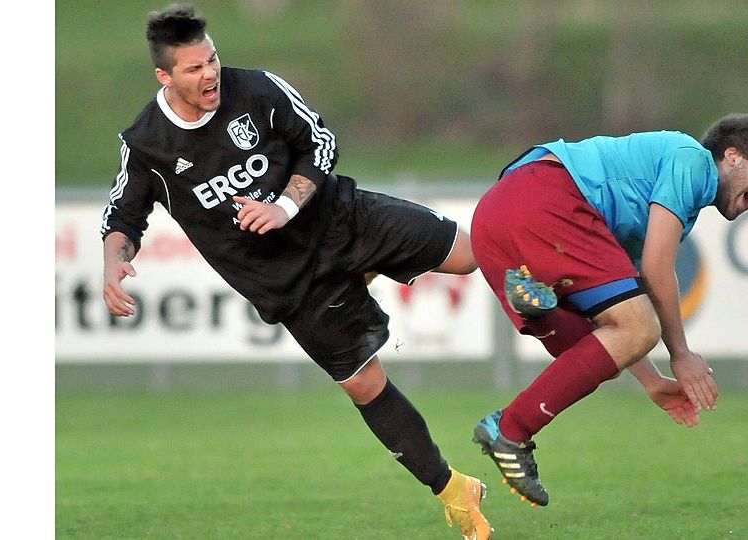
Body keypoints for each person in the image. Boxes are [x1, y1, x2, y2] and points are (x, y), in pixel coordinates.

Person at [100, 4, 491, 538]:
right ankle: (454, 491)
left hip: (341, 220)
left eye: (212, 59)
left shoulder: (256, 89)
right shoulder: (146, 144)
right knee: (365, 385)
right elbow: (123, 216)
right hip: (291, 283)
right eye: (194, 68)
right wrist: (113, 263)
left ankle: (555, 285)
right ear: (164, 76)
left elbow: (320, 142)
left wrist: (284, 206)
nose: (210, 73)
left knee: (469, 254)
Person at [469, 114, 748, 507]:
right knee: (638, 329)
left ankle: (540, 307)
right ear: (732, 156)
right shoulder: (693, 160)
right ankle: (511, 428)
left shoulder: (657, 197)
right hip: (548, 196)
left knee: (599, 348)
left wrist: (652, 381)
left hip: (496, 216)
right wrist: (680, 354)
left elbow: (622, 317)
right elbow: (656, 270)